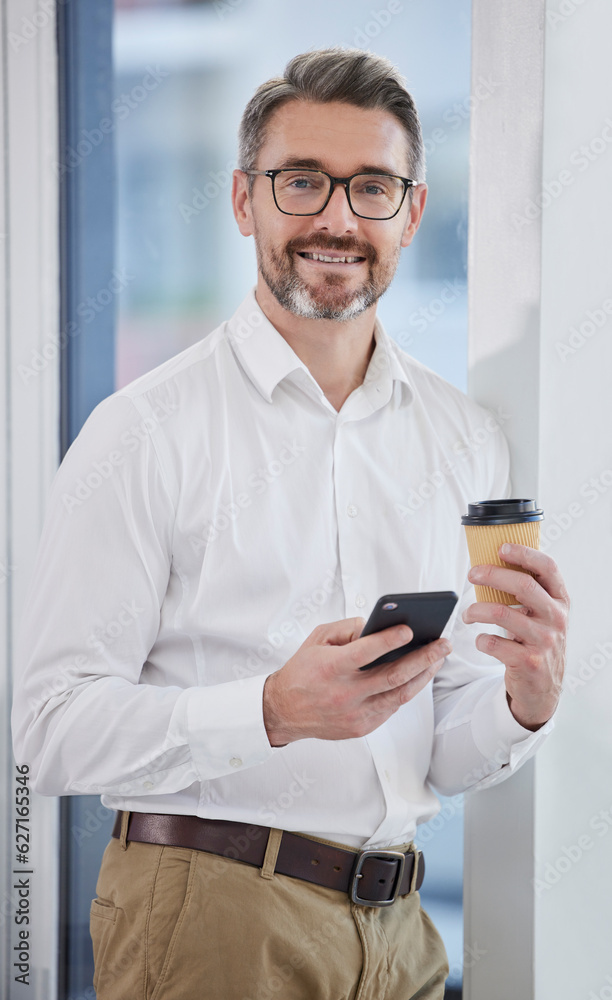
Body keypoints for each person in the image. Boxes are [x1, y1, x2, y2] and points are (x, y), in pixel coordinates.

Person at [12, 48, 569, 1000]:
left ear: (413, 211)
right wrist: (268, 710)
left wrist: (525, 699)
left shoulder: (463, 438)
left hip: (402, 934)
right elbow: (50, 730)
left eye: (373, 187)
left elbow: (440, 742)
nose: (338, 219)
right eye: (302, 181)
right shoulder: (142, 432)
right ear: (243, 202)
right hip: (211, 924)